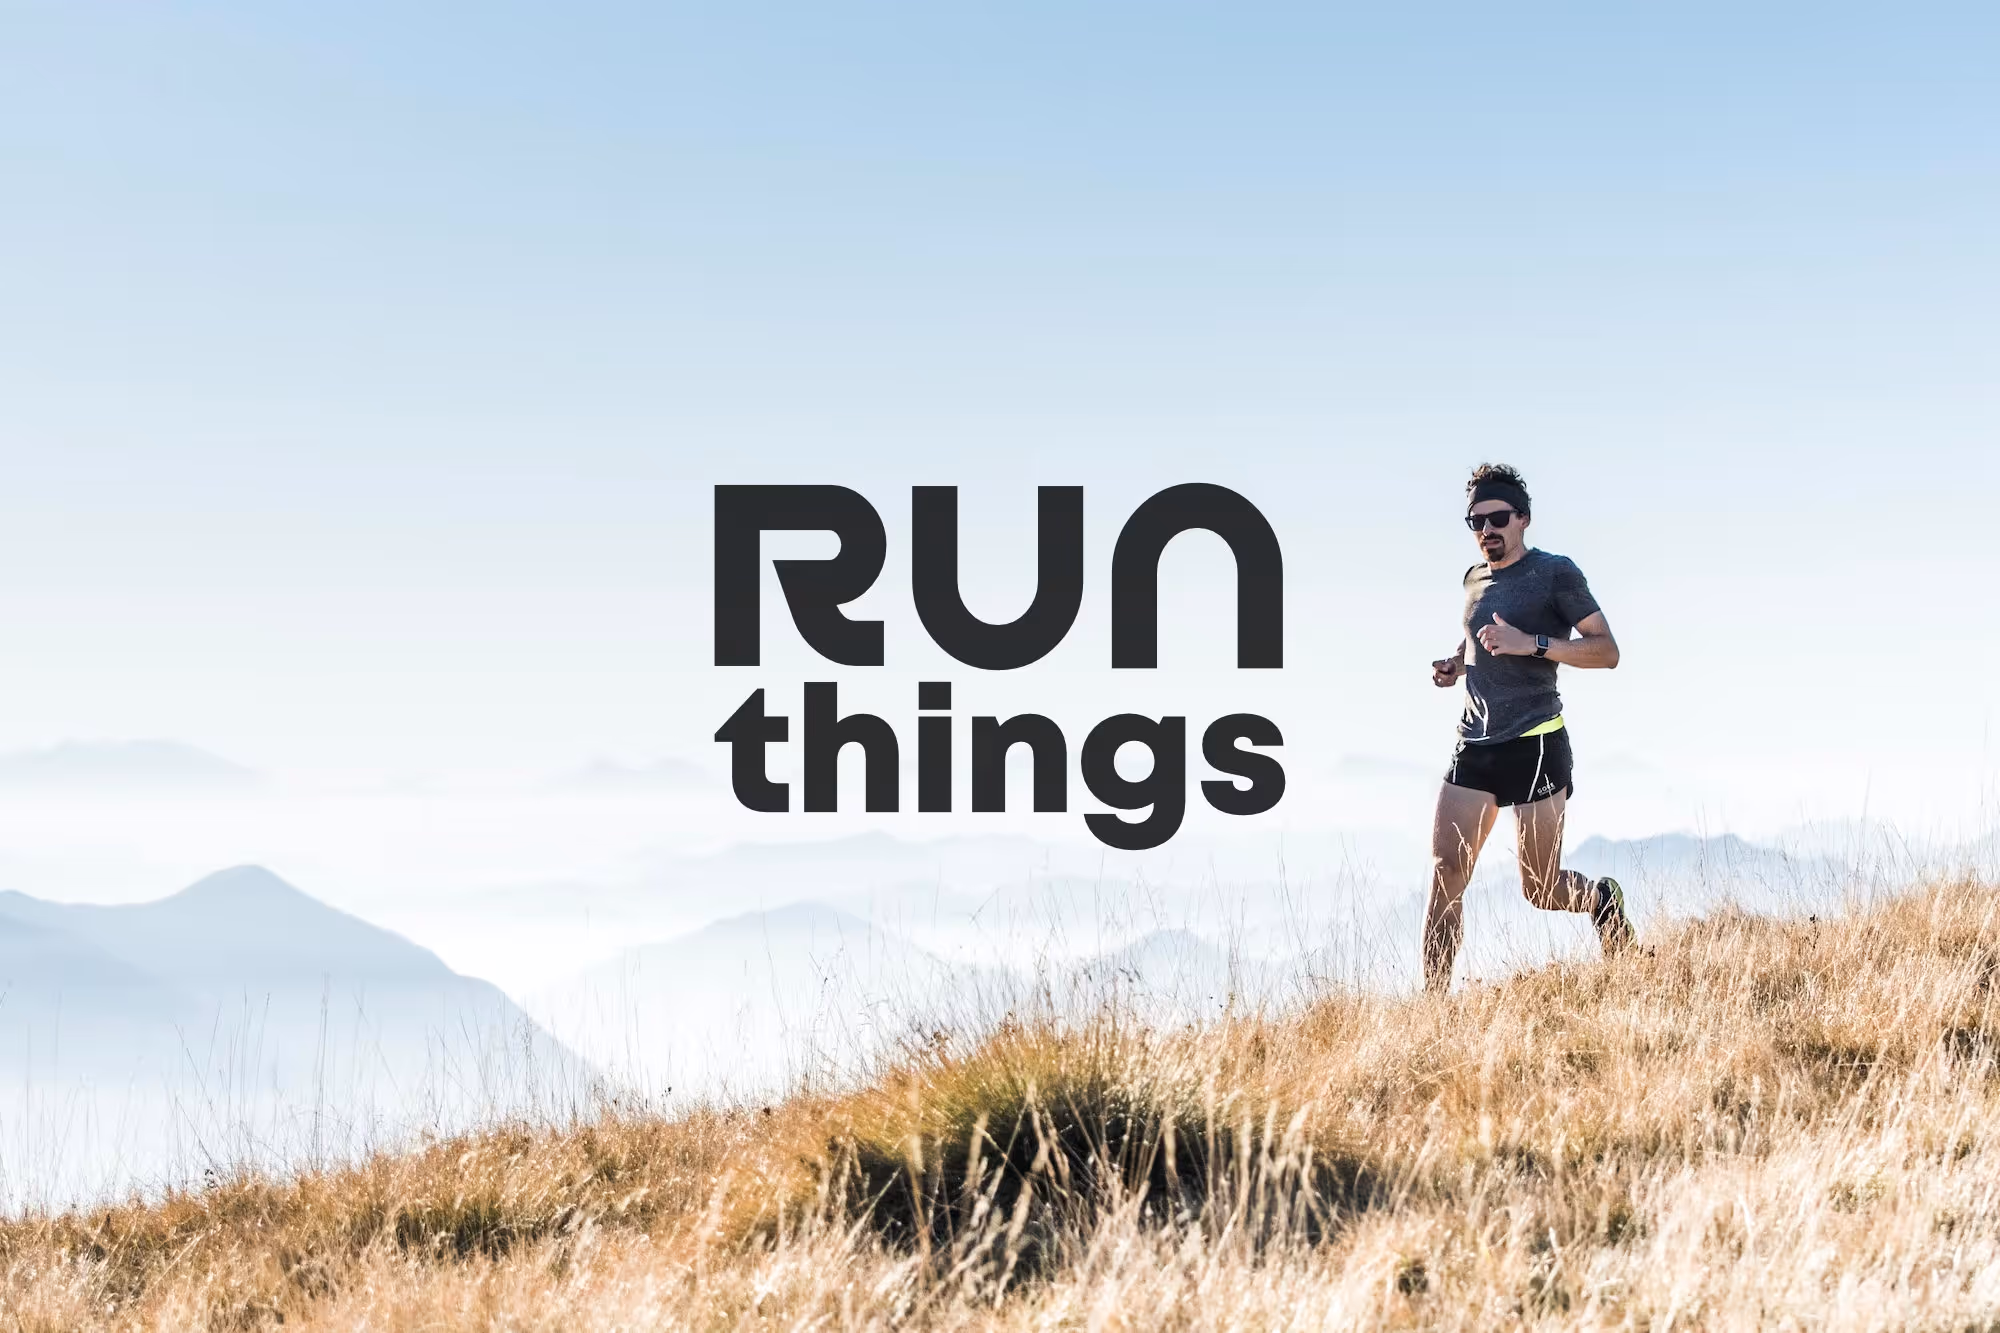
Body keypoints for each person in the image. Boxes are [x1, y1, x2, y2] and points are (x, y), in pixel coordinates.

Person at [1424, 463, 1634, 990]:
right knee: (1446, 873)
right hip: (1475, 744)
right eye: (1476, 522)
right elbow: (1479, 636)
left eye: (1497, 518)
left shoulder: (1554, 573)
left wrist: (1533, 645)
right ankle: (1431, 1007)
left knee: (1540, 888)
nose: (1486, 530)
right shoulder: (1474, 578)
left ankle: (1602, 900)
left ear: (1523, 518)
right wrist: (1457, 665)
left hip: (1535, 741)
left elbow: (1606, 651)